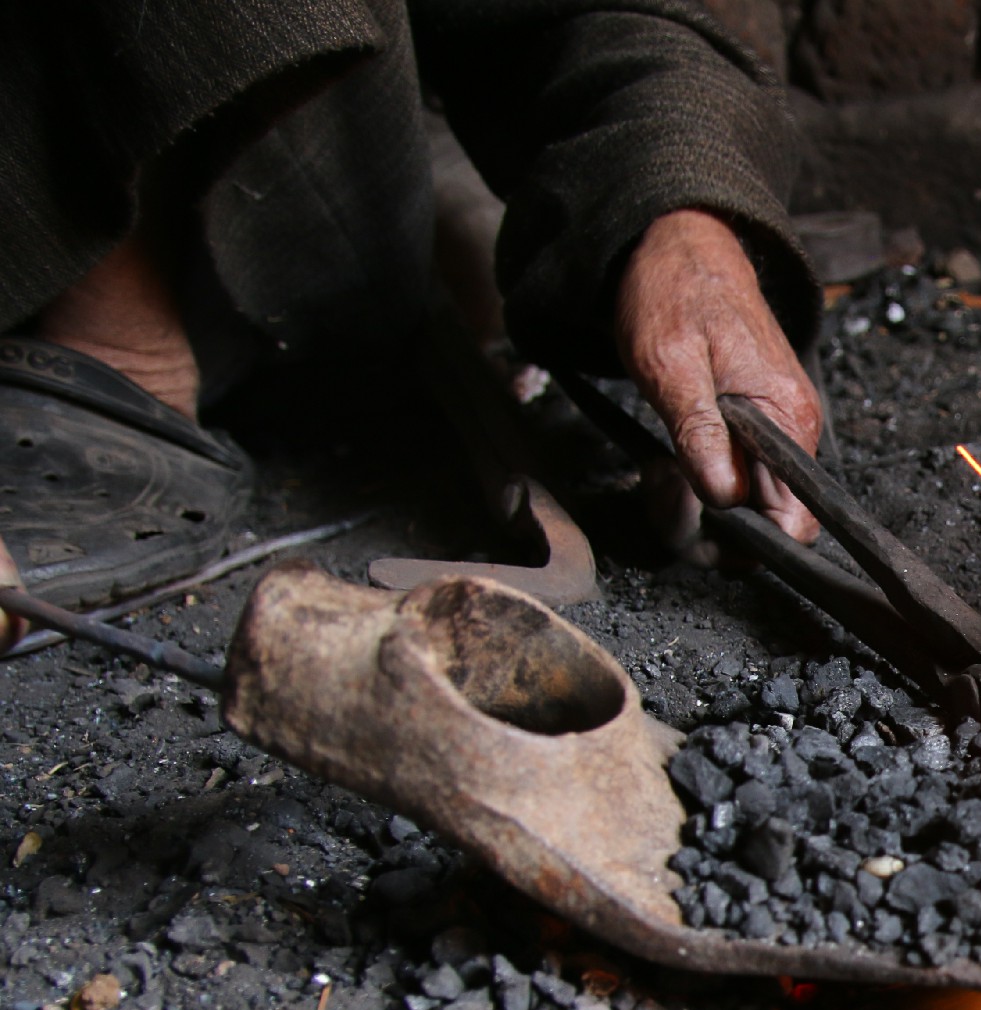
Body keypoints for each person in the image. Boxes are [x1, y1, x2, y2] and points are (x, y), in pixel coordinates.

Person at [0, 0, 829, 650]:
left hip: (311, 195)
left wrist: (677, 221)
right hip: (45, 265)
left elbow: (596, 16)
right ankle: (114, 322)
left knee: (478, 248)